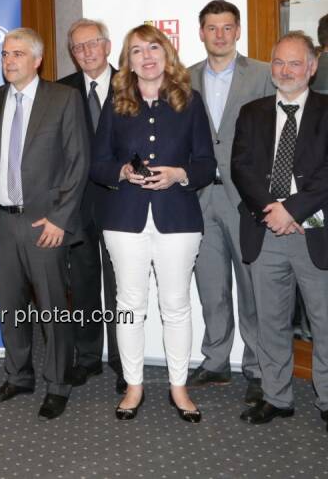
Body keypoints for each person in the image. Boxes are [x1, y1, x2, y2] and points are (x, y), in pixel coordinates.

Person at [230, 32, 328, 438]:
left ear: (312, 67)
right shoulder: (252, 112)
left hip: (315, 232)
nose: (285, 71)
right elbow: (242, 168)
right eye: (279, 63)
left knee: (327, 325)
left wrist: (293, 210)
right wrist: (273, 212)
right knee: (270, 322)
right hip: (265, 231)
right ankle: (277, 396)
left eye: (295, 63)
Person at [90, 24, 216, 424]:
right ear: (127, 60)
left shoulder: (190, 102)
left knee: (176, 306)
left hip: (177, 217)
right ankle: (133, 385)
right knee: (129, 306)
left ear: (167, 54)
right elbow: (98, 164)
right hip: (124, 218)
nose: (146, 57)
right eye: (137, 50)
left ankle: (179, 387)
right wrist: (123, 172)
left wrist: (179, 174)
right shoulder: (115, 102)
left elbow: (207, 164)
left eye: (153, 48)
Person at [0, 28, 89, 420]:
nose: (9, 60)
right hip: (2, 224)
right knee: (11, 308)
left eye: (18, 54)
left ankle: (58, 384)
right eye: (5, 54)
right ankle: (18, 375)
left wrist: (61, 218)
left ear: (37, 60)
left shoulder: (63, 98)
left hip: (45, 224)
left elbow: (79, 162)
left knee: (54, 310)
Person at [187, 0, 274, 407]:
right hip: (201, 196)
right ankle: (216, 360)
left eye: (227, 27)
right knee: (211, 284)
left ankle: (258, 367)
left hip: (247, 198)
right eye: (212, 28)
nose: (219, 35)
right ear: (201, 32)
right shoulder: (183, 79)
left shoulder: (262, 75)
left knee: (253, 285)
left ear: (237, 31)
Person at [56, 18, 125, 394]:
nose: (86, 52)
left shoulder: (131, 85)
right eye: (78, 47)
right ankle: (87, 357)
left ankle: (120, 358)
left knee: (120, 288)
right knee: (82, 284)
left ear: (107, 45)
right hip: (77, 205)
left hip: (121, 203)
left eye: (92, 44)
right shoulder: (61, 91)